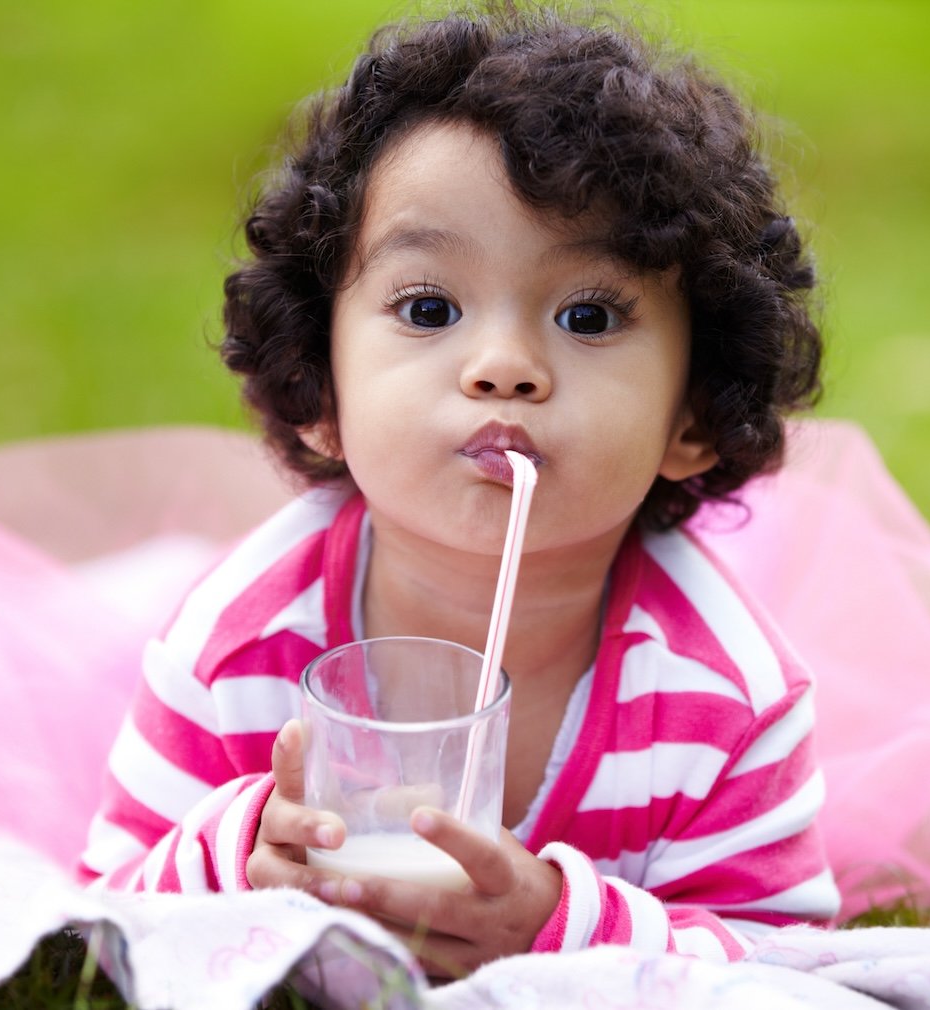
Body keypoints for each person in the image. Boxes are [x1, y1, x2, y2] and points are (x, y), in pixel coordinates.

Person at [78, 3, 838, 975]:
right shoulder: (241, 648)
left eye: (589, 313)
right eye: (429, 307)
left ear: (691, 417)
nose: (503, 365)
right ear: (321, 388)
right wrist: (238, 858)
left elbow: (783, 966)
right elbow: (102, 914)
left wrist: (562, 926)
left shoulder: (725, 696)